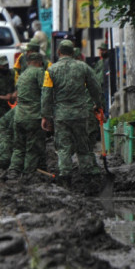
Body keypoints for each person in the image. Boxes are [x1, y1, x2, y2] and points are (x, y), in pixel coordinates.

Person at [41, 39, 103, 185]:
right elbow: (96, 88)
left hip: (61, 116)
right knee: (83, 147)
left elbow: (46, 95)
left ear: (58, 52)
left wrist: (45, 116)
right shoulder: (84, 67)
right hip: (81, 114)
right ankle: (88, 181)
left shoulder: (50, 70)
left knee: (63, 148)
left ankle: (65, 180)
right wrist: (98, 105)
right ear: (74, 52)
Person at [8, 52, 47, 180]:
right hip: (33, 116)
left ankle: (13, 171)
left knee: (19, 148)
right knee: (32, 147)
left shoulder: (22, 75)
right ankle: (28, 175)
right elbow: (45, 92)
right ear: (40, 62)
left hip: (19, 116)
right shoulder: (39, 72)